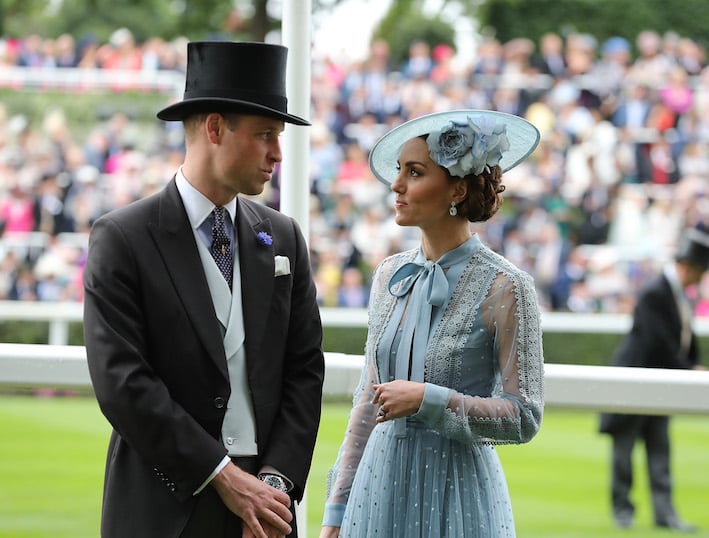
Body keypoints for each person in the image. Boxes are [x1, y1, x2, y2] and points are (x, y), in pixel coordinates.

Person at [82, 41, 325, 538]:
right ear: (215, 128)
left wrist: (274, 485)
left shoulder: (283, 236)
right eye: (265, 135)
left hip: (266, 515)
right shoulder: (123, 237)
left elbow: (304, 370)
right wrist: (222, 476)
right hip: (161, 510)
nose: (277, 153)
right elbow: (122, 382)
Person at [320, 109, 545, 537]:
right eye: (399, 170)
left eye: (415, 172)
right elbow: (366, 405)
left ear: (457, 189)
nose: (396, 184)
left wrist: (431, 399)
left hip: (458, 494)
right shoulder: (389, 274)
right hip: (377, 488)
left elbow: (524, 416)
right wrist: (336, 512)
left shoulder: (507, 287)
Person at [599, 227, 709, 533]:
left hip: (657, 386)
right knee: (624, 451)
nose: (701, 279)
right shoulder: (655, 292)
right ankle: (623, 512)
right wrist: (689, 371)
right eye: (701, 272)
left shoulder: (675, 294)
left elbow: (681, 340)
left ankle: (665, 515)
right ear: (688, 266)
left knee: (660, 450)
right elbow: (658, 344)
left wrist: (690, 366)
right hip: (633, 383)